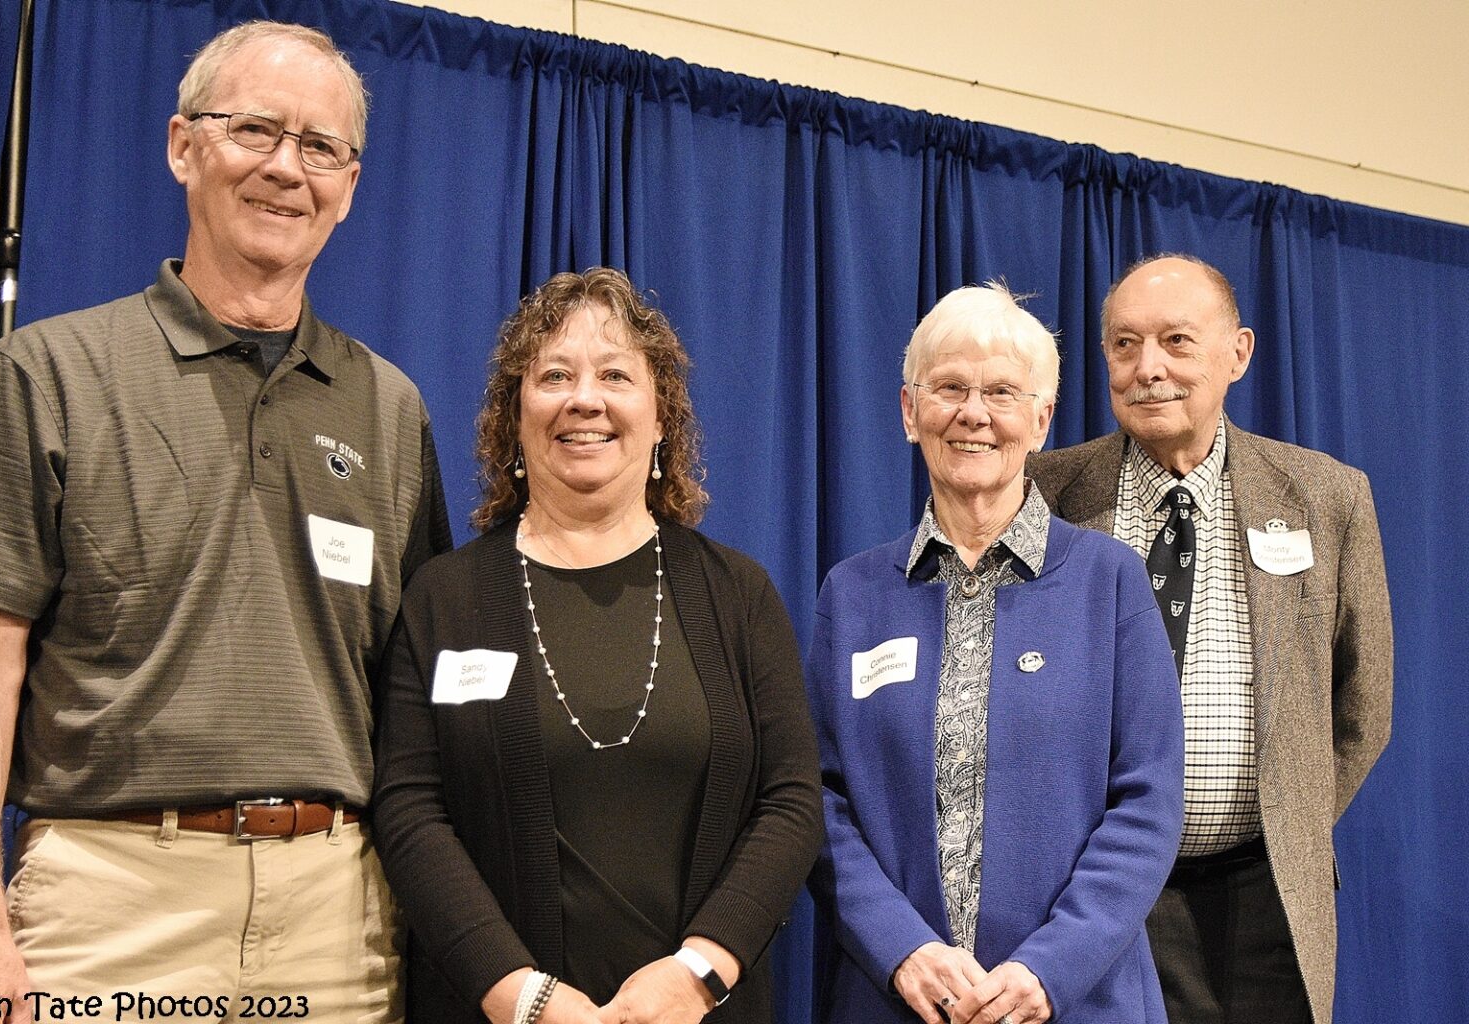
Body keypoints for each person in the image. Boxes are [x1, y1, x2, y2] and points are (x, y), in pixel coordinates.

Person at [0, 21, 449, 1023]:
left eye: (320, 146)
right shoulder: (46, 374)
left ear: (349, 186)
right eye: (255, 129)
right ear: (183, 145)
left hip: (338, 921)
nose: (286, 168)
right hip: (106, 910)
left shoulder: (391, 410)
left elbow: (410, 702)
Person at [371, 267, 823, 1024]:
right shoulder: (443, 599)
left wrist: (696, 975)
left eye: (615, 374)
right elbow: (410, 810)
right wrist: (521, 996)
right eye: (555, 375)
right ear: (514, 418)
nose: (585, 399)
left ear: (661, 417)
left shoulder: (738, 594)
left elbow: (791, 802)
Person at [1028, 254, 1392, 1024]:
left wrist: (1287, 821)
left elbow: (1363, 707)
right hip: (1088, 893)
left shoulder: (1326, 497)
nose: (1148, 368)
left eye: (1176, 341)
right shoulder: (1045, 495)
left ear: (1238, 352)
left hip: (1263, 899)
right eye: (1125, 345)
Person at [808, 283, 1184, 1024]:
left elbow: (1149, 800)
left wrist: (1049, 969)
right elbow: (817, 801)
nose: (973, 413)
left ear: (1041, 420)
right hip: (897, 1001)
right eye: (949, 387)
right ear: (909, 411)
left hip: (1079, 1001)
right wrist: (901, 950)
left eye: (1003, 393)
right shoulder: (851, 595)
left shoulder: (1111, 581)